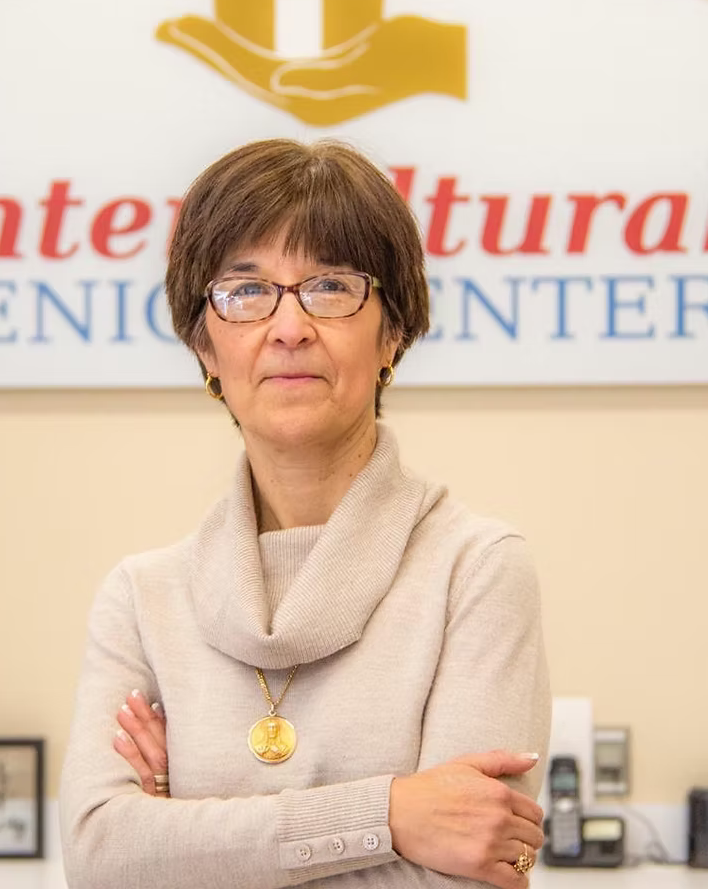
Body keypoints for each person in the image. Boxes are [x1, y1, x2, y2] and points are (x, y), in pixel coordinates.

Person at [59, 139, 551, 889]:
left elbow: (465, 876)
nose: (289, 327)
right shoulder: (142, 596)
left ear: (393, 332)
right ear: (204, 346)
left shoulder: (476, 569)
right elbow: (102, 856)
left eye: (329, 286)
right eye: (246, 291)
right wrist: (391, 815)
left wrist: (186, 838)